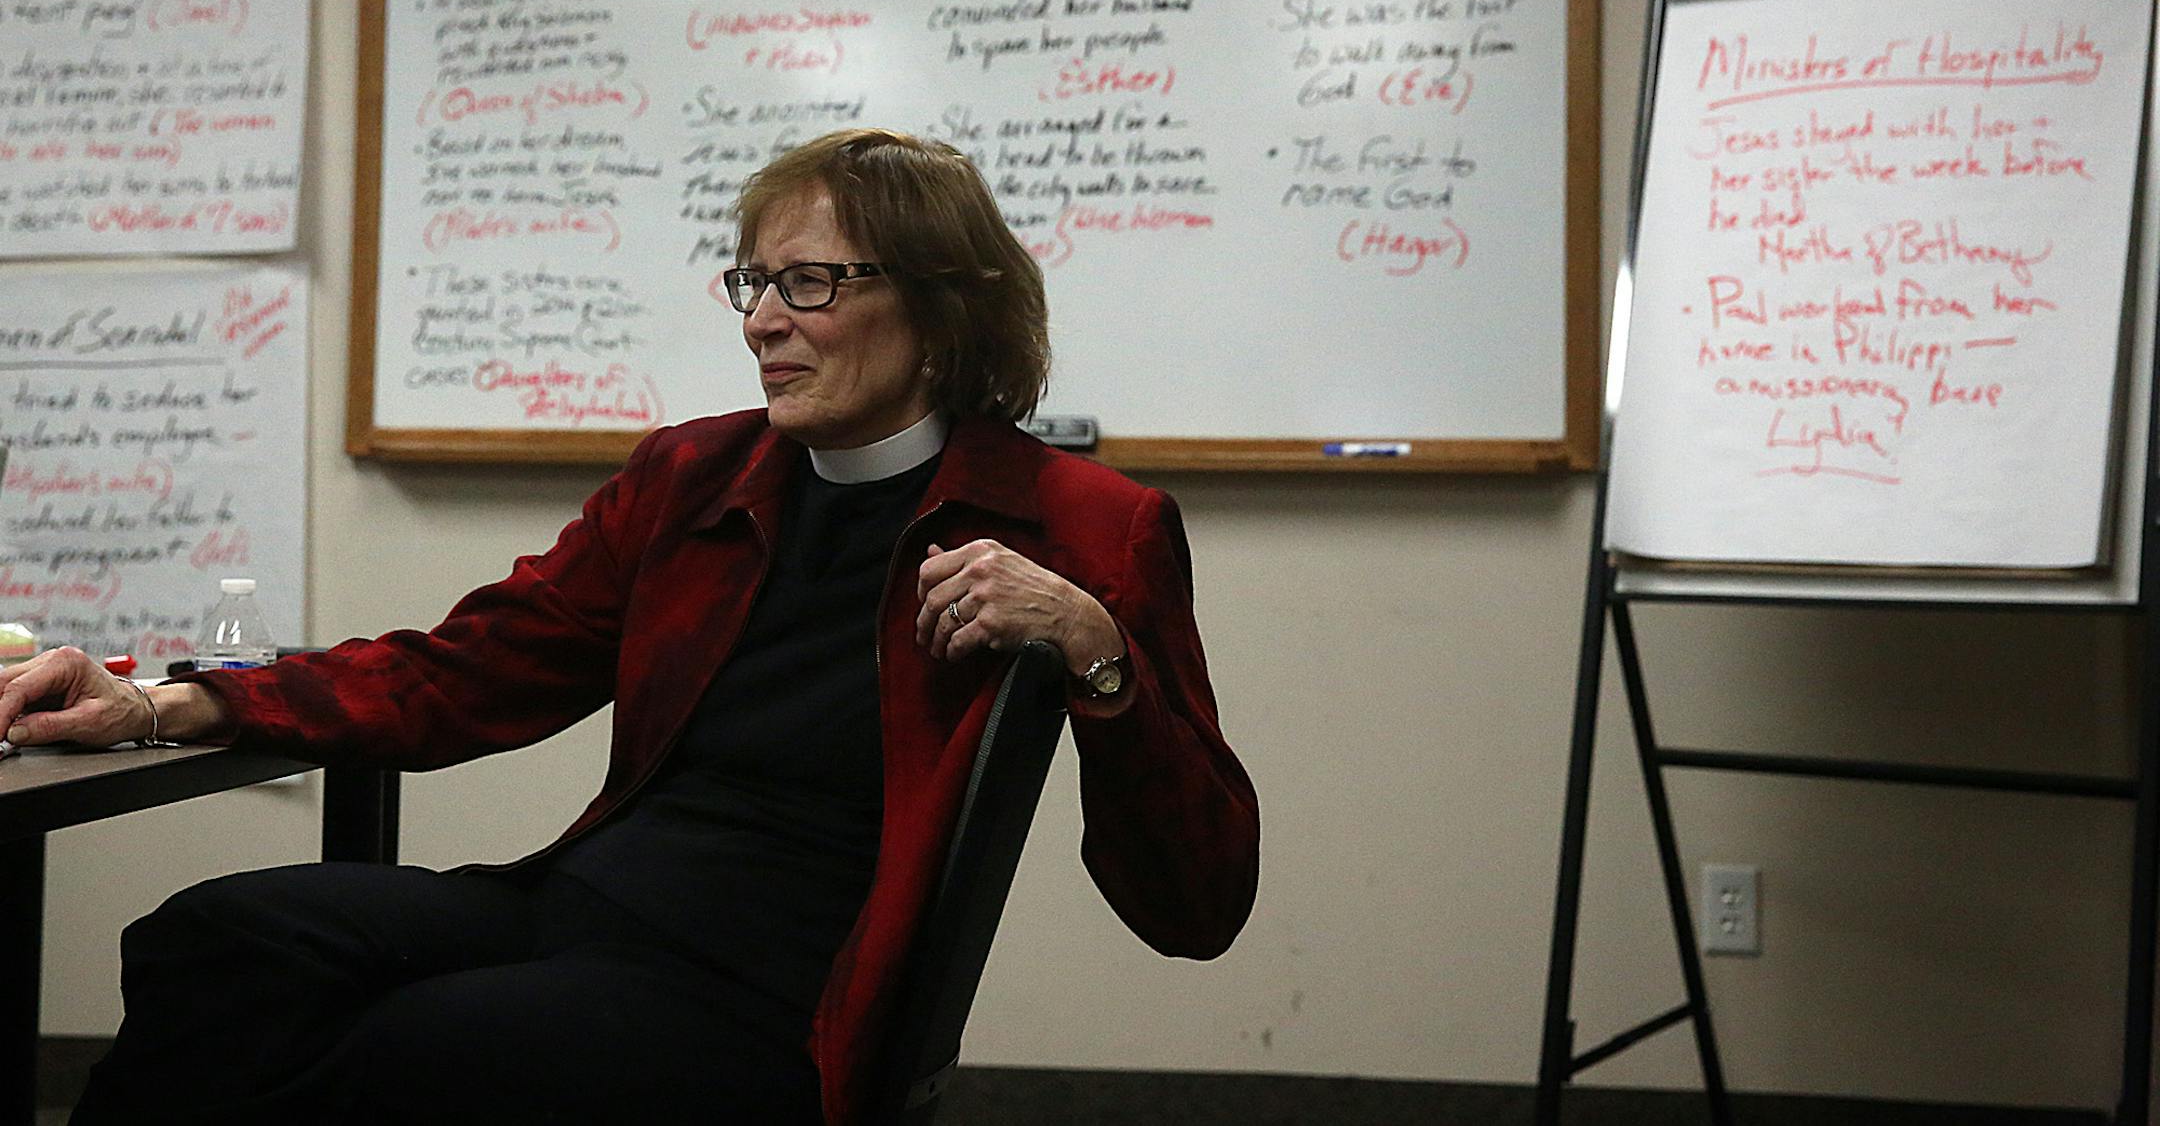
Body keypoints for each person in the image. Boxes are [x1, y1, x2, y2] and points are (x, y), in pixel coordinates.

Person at [0, 128, 1260, 1125]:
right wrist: (165, 702)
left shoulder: (1086, 524)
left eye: (810, 280)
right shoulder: (694, 477)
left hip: (780, 994)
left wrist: (1100, 655)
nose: (765, 317)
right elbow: (471, 666)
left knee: (396, 1050)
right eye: (754, 280)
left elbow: (1197, 901)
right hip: (585, 903)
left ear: (941, 307)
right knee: (218, 941)